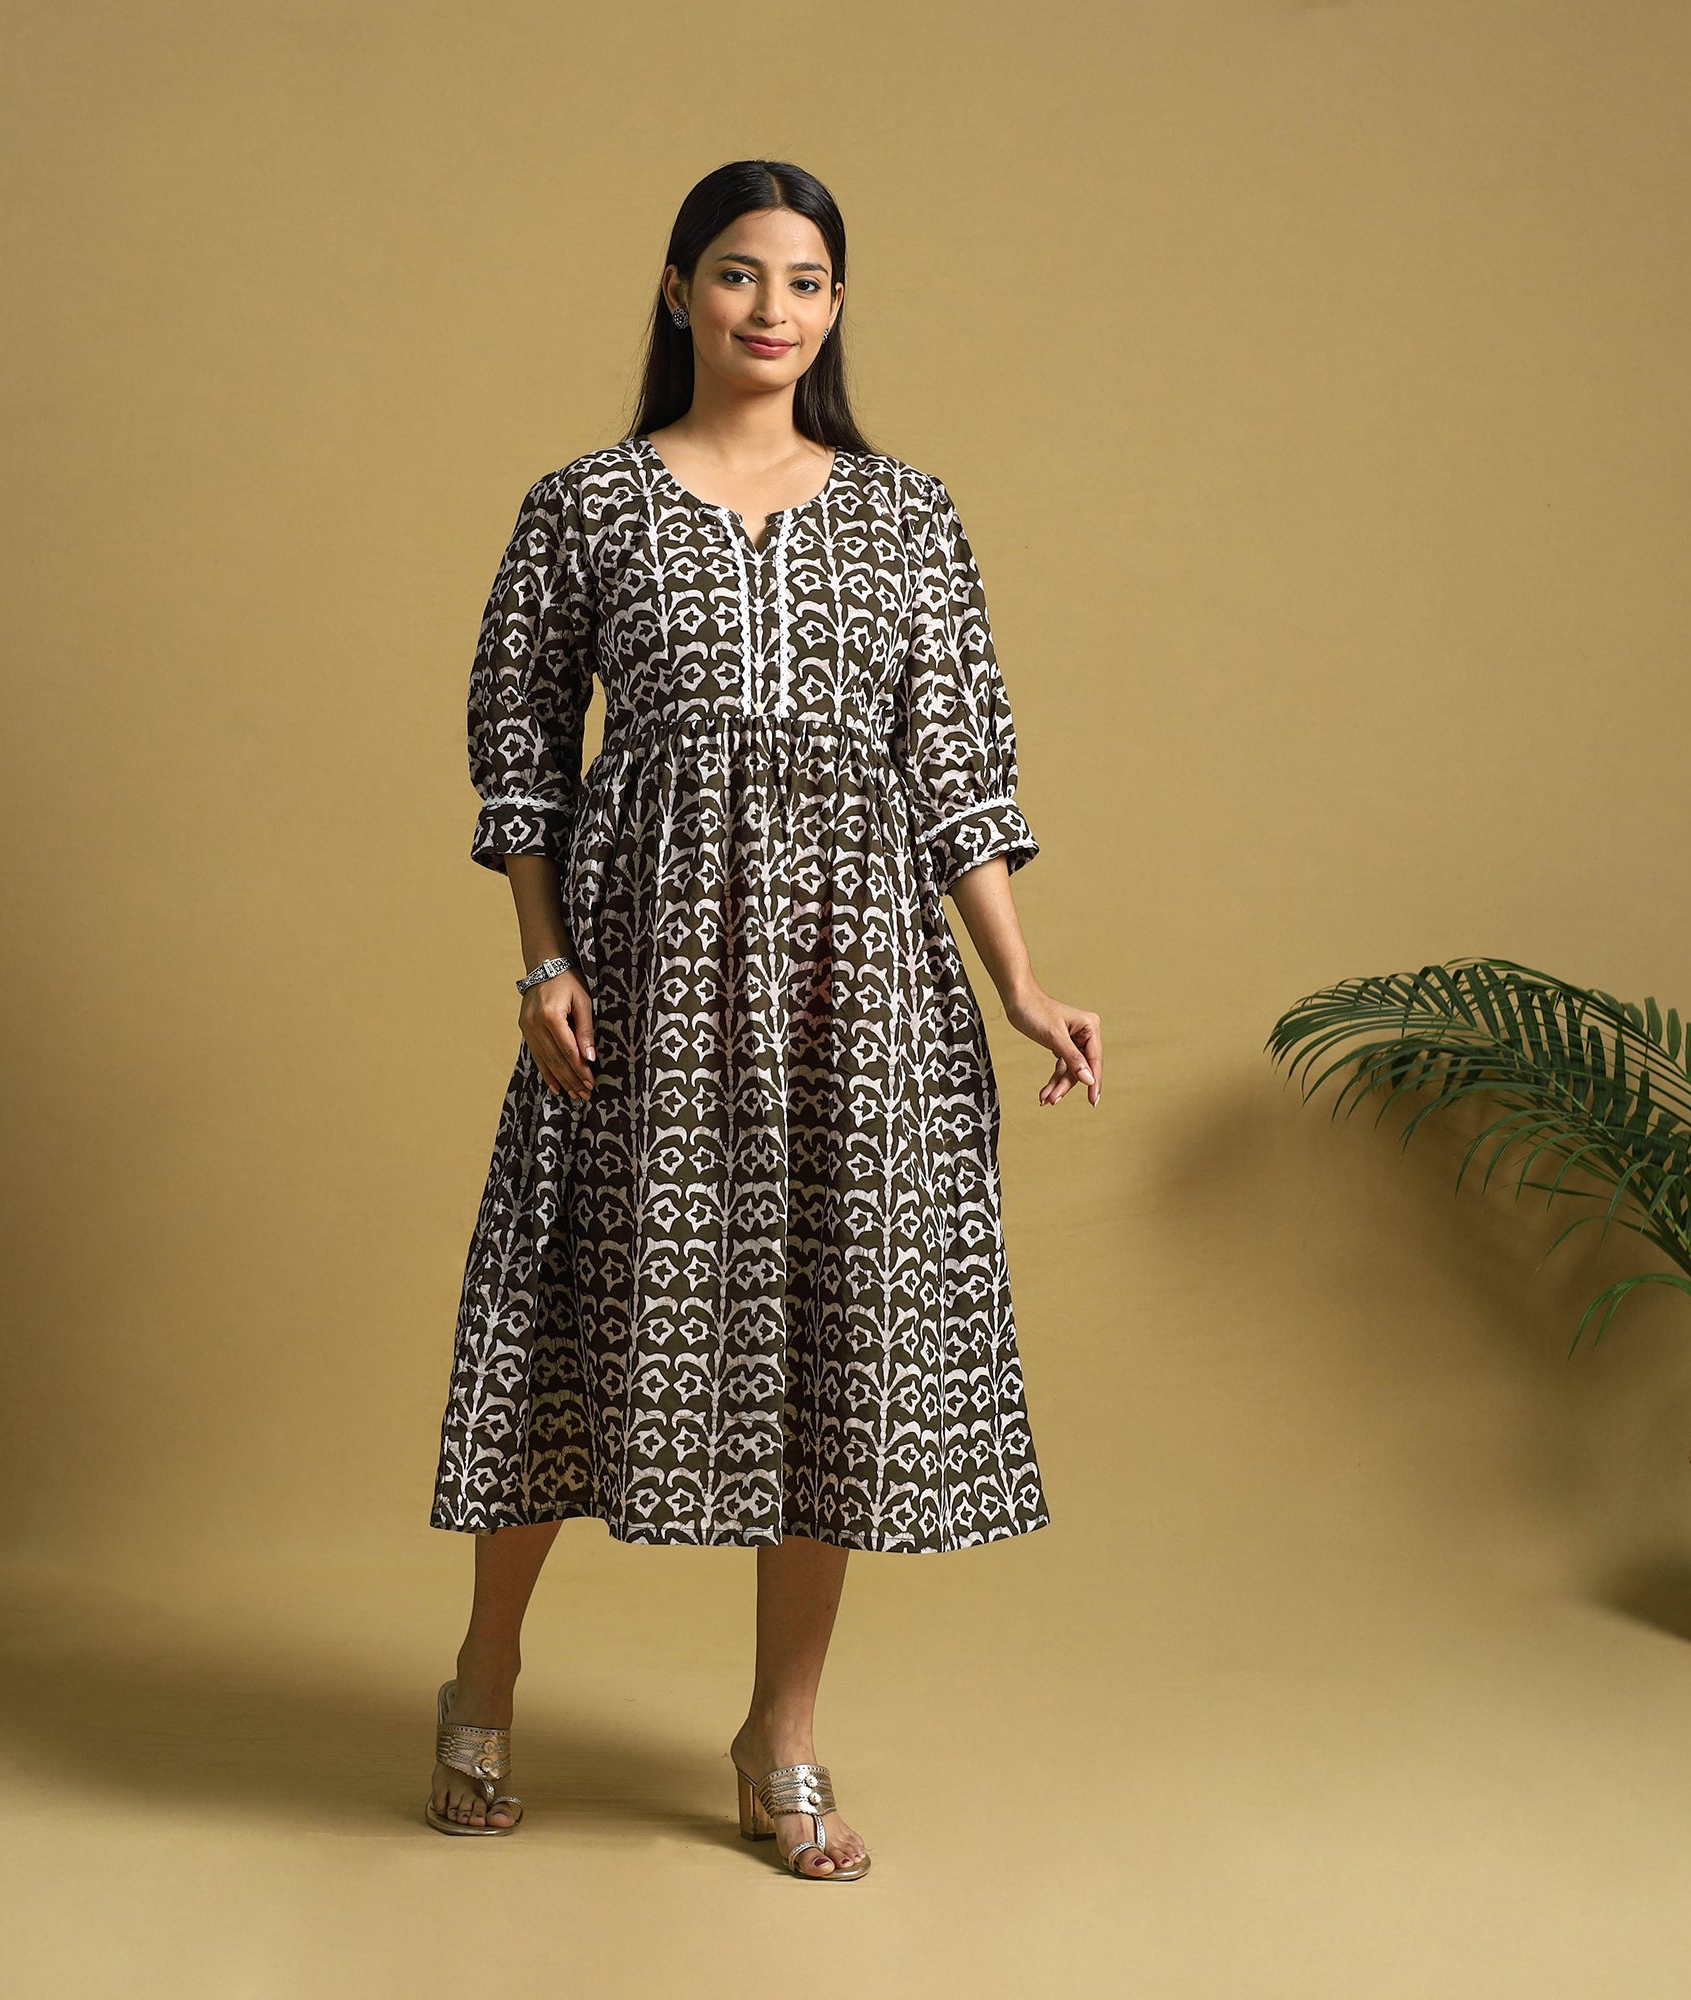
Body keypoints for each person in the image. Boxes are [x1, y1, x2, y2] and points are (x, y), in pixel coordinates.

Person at [426, 159, 1103, 1880]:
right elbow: (521, 745)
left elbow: (957, 768)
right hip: (642, 966)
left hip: (853, 988)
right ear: (678, 292)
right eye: (738, 275)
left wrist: (1021, 984)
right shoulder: (584, 504)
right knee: (566, 1312)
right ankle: (486, 1670)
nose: (771, 309)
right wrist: (542, 960)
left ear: (837, 308)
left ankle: (779, 1739)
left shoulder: (908, 515)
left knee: (831, 1347)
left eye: (805, 282)